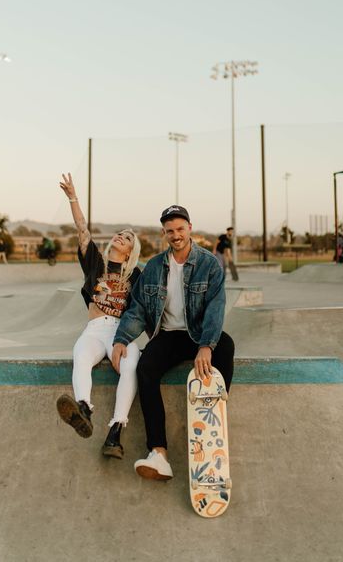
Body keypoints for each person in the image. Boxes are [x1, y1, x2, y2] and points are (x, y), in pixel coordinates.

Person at [112, 204, 235, 481]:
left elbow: (217, 306)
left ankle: (213, 411)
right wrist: (122, 339)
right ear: (164, 233)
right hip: (168, 336)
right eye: (170, 231)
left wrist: (207, 345)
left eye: (180, 229)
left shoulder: (209, 263)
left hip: (198, 334)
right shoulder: (155, 267)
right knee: (145, 368)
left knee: (226, 347)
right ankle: (158, 454)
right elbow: (138, 309)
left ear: (189, 228)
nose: (176, 235)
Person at [56, 173, 142, 459]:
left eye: (127, 238)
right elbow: (82, 230)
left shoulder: (136, 275)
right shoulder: (96, 262)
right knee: (80, 355)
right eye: (120, 233)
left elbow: (146, 306)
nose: (121, 236)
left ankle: (115, 433)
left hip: (121, 332)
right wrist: (72, 197)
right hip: (94, 330)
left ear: (131, 250)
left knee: (131, 367)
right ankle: (83, 410)